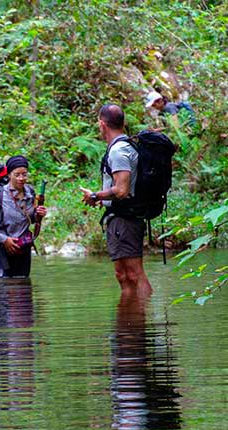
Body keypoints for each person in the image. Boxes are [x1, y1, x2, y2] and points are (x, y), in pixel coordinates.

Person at [80, 104, 152, 298]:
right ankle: (130, 318)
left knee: (134, 273)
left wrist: (95, 195)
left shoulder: (118, 151)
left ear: (102, 124)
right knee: (123, 274)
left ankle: (140, 319)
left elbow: (121, 190)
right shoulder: (123, 147)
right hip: (121, 218)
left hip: (125, 218)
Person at [0, 155, 47, 278]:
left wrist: (38, 215)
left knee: (22, 285)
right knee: (2, 286)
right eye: (17, 174)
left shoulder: (30, 193)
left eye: (24, 174)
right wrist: (5, 240)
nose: (21, 178)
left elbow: (29, 218)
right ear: (9, 175)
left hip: (22, 249)